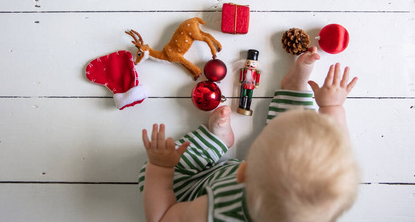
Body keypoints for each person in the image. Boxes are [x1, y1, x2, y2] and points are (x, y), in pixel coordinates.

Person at [138, 46, 359, 222]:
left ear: (243, 172)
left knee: (149, 178)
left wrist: (160, 168)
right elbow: (338, 148)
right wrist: (332, 107)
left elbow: (161, 217)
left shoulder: (214, 213)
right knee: (303, 133)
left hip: (199, 189)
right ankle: (294, 87)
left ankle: (215, 140)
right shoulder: (321, 197)